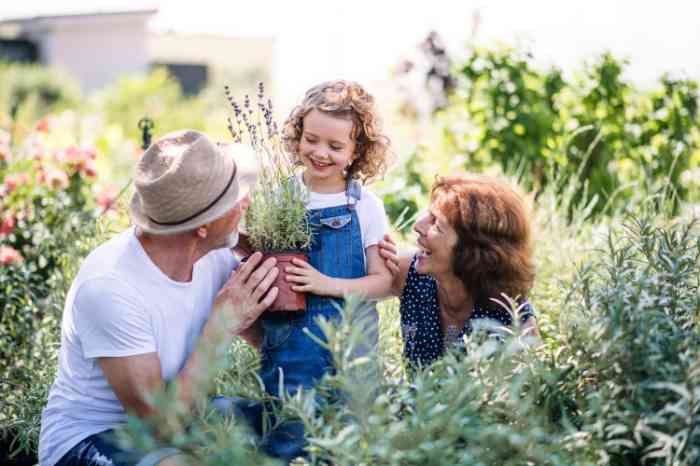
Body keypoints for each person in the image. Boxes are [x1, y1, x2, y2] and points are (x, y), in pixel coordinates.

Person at [38, 130, 280, 466]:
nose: (247, 202)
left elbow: (270, 340)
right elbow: (158, 428)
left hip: (183, 413)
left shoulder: (216, 253)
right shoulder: (110, 287)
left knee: (287, 424)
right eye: (233, 199)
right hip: (93, 438)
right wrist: (221, 326)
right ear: (202, 226)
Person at [238, 80, 393, 461]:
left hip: (351, 350)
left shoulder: (364, 206)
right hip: (289, 345)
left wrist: (326, 283)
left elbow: (382, 281)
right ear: (298, 135)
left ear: (357, 151)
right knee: (287, 437)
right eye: (311, 139)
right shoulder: (280, 196)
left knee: (350, 443)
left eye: (335, 146)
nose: (320, 153)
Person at [378, 174, 539, 367]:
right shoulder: (410, 272)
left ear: (472, 249)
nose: (417, 226)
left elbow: (530, 392)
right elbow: (347, 289)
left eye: (436, 224)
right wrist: (373, 259)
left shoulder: (515, 323)